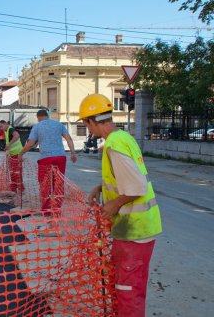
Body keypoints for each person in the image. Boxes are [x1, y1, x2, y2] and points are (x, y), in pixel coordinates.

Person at [79, 94, 162, 317]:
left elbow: (136, 187)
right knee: (134, 288)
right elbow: (126, 177)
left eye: (86, 124)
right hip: (142, 229)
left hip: (133, 231)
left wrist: (114, 204)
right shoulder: (124, 137)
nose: (88, 130)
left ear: (91, 121)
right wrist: (101, 187)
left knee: (127, 292)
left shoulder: (113, 146)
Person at [18, 109, 77, 216]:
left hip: (46, 158)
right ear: (47, 115)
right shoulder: (59, 124)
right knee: (58, 183)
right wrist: (72, 152)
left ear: (38, 117)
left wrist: (21, 154)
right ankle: (57, 210)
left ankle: (46, 210)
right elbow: (69, 138)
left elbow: (30, 143)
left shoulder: (37, 126)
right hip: (60, 157)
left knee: (45, 184)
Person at [0, 120, 23, 193]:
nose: (1, 129)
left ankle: (20, 189)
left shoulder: (11, 129)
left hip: (17, 154)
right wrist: (6, 148)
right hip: (12, 155)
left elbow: (17, 135)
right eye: (0, 127)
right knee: (12, 172)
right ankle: (14, 189)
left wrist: (9, 144)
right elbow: (7, 142)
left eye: (1, 126)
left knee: (17, 172)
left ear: (5, 124)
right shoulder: (6, 131)